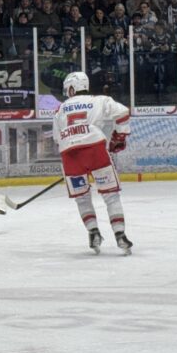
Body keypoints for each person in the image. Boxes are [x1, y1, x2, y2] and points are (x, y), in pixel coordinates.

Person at [52, 70, 132, 254]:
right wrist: (119, 137)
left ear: (72, 89)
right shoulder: (100, 100)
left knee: (82, 197)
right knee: (110, 195)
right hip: (95, 149)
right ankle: (120, 235)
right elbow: (123, 113)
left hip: (70, 156)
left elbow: (57, 138)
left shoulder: (60, 109)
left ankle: (93, 232)